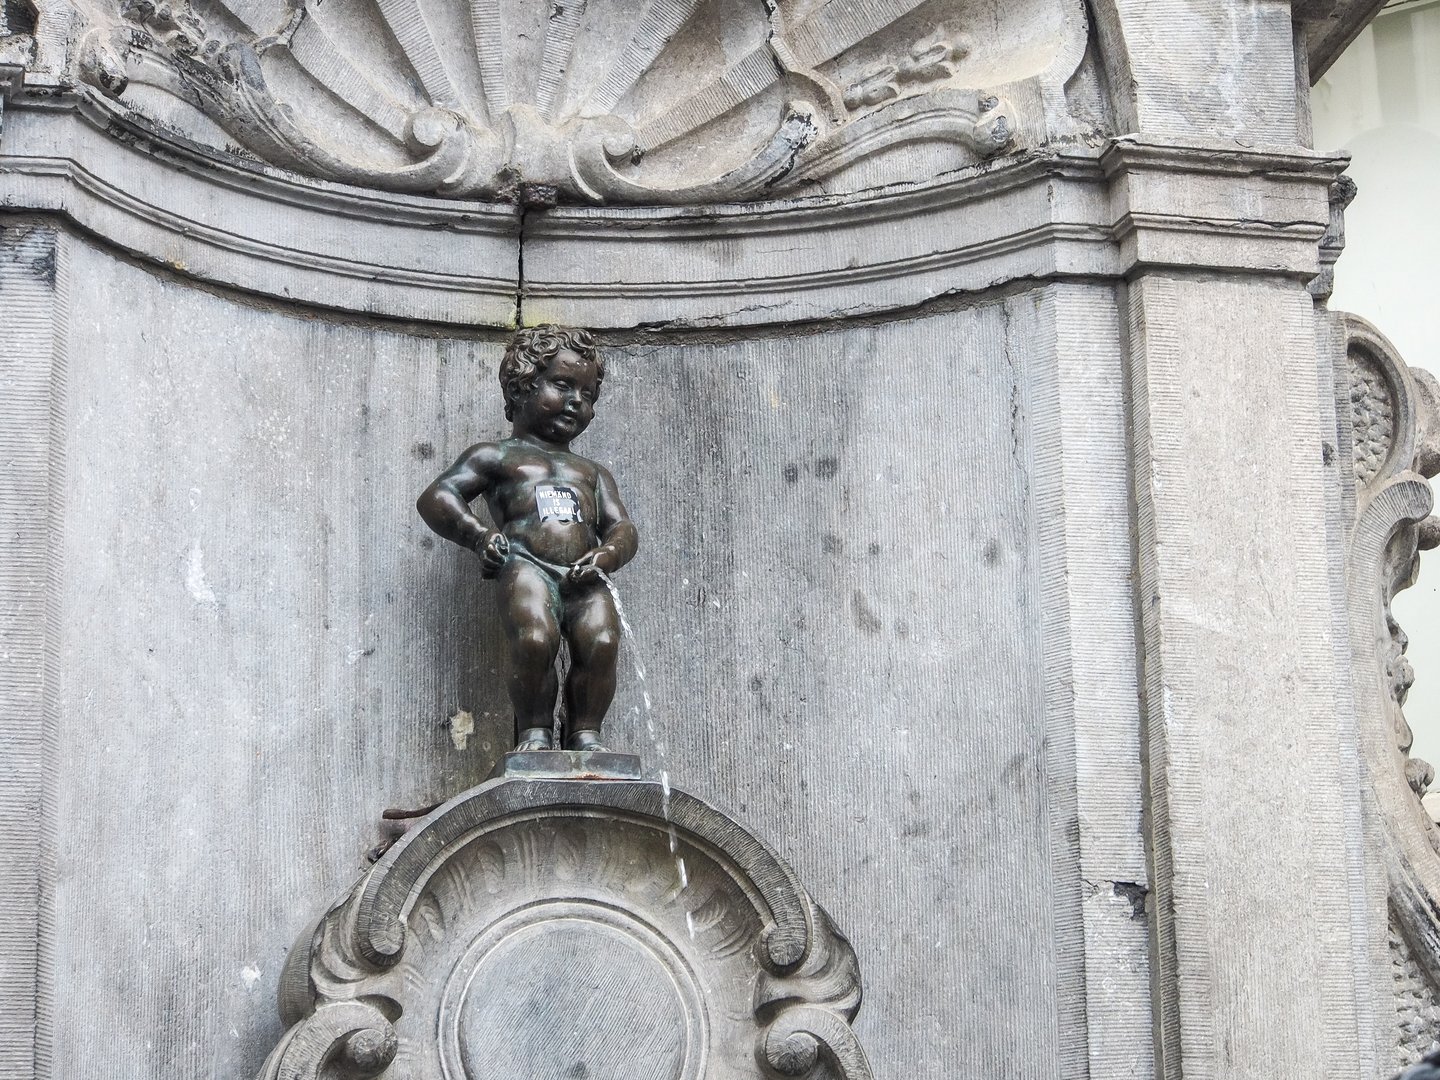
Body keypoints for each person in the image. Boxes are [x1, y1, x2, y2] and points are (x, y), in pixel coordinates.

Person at [417, 326, 639, 753]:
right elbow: (437, 497)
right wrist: (479, 536)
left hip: (586, 574)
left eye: (588, 394)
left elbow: (623, 528)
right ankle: (534, 731)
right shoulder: (496, 456)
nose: (577, 400)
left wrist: (607, 555)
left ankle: (585, 733)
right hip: (526, 565)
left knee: (603, 642)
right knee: (535, 638)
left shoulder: (591, 473)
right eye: (562, 384)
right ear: (522, 386)